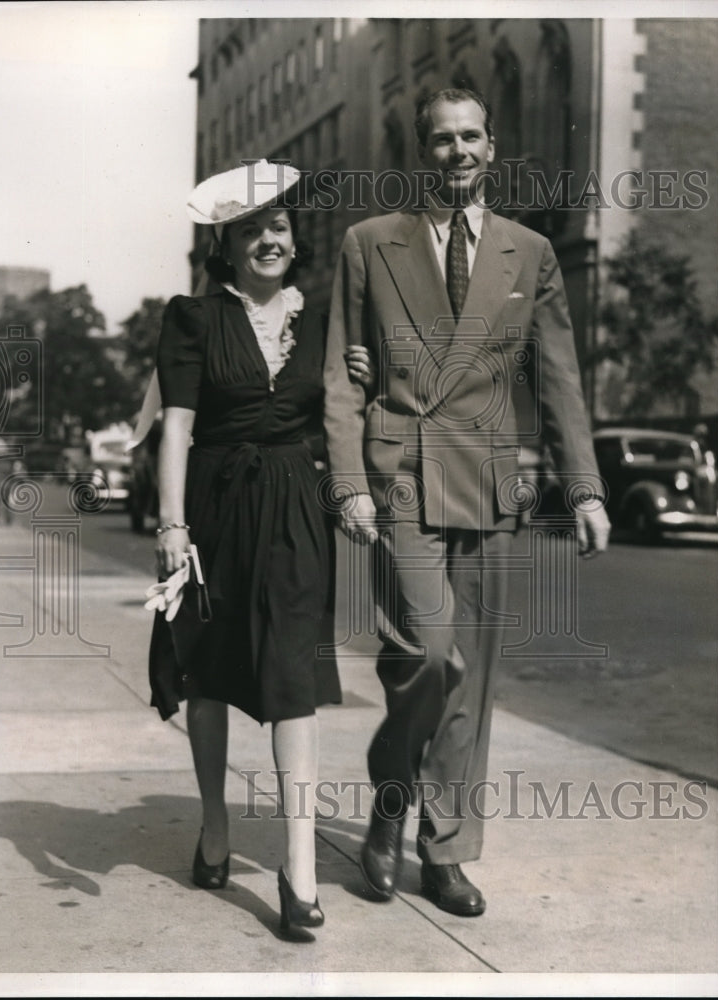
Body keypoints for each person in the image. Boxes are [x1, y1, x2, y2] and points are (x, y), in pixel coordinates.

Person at [322, 89, 611, 917]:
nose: (458, 151)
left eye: (471, 136)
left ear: (493, 145)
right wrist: (347, 481)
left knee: (470, 679)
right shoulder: (368, 244)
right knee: (426, 652)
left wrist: (584, 485)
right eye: (442, 139)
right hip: (401, 469)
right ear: (424, 152)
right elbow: (340, 381)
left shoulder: (532, 252)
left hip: (488, 476)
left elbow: (559, 378)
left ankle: (444, 848)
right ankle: (389, 798)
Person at [147, 160, 372, 942]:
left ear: (292, 235)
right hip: (211, 507)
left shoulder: (325, 321)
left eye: (277, 226)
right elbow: (175, 426)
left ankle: (299, 869)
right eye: (251, 231)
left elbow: (343, 405)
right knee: (208, 669)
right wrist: (173, 528)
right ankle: (216, 828)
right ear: (226, 245)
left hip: (295, 512)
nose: (268, 241)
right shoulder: (192, 319)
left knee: (293, 679)